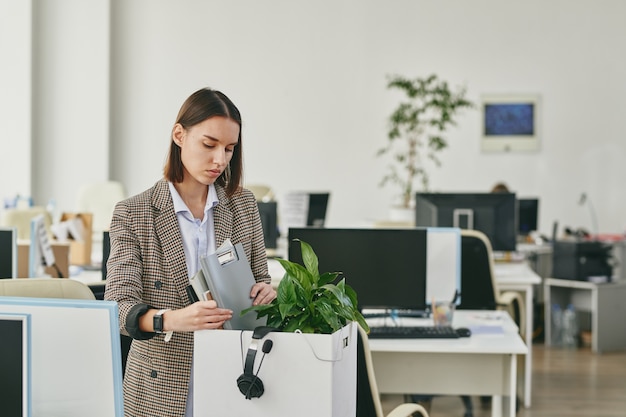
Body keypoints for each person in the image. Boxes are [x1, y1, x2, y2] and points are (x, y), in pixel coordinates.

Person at [104, 87, 276, 417]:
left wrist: (266, 292)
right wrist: (174, 319)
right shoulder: (134, 213)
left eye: (229, 149)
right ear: (179, 135)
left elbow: (260, 281)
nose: (219, 160)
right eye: (209, 145)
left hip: (235, 377)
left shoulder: (243, 205)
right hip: (160, 390)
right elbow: (118, 309)